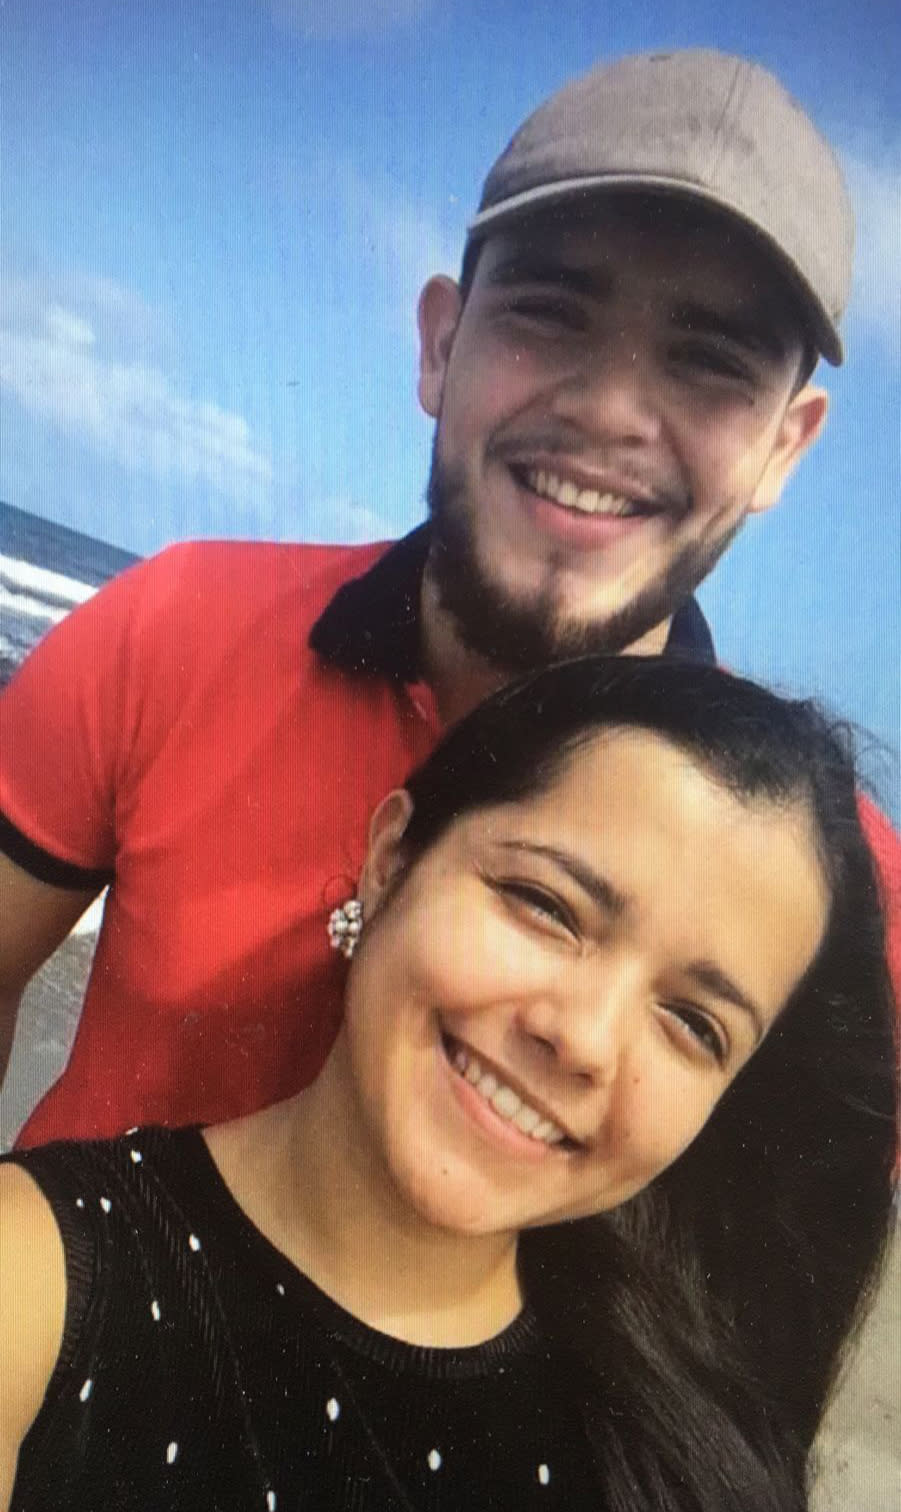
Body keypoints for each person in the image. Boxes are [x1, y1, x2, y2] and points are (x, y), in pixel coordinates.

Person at [0, 49, 898, 1147]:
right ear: (440, 345)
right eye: (549, 312)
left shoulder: (839, 899)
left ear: (781, 450)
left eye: (710, 362)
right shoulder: (170, 628)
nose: (612, 411)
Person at [0, 658, 896, 1512]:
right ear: (391, 861)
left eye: (694, 1025)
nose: (582, 1038)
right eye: (545, 906)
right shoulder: (34, 1281)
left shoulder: (683, 1435)